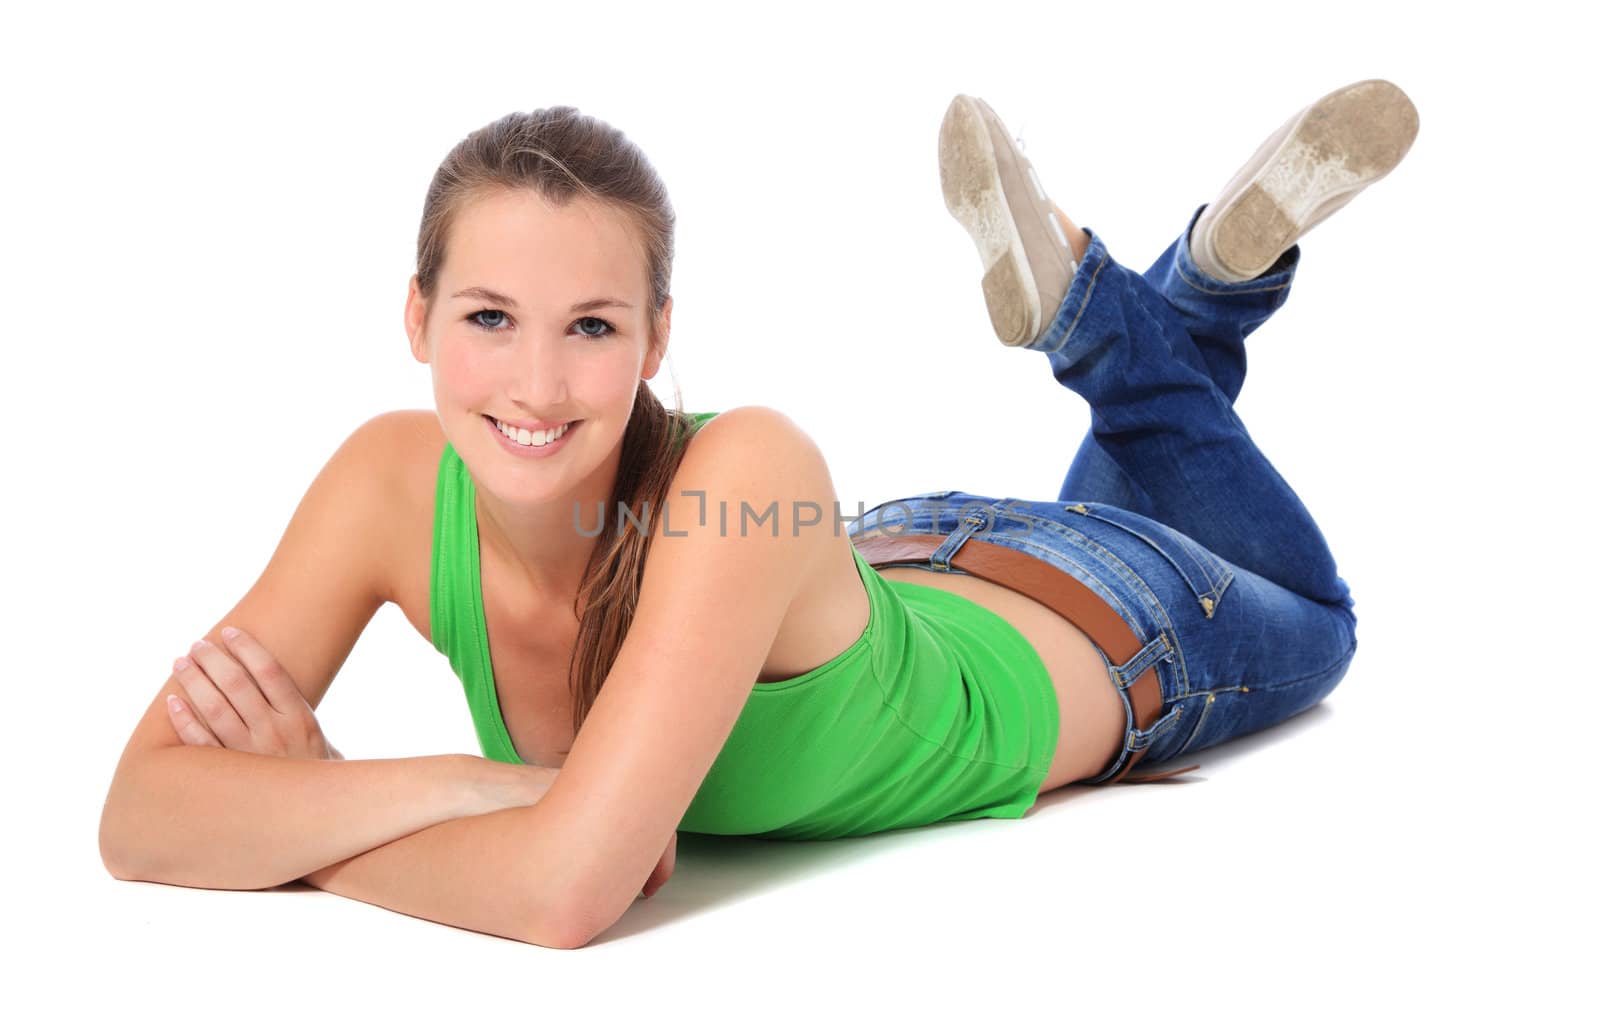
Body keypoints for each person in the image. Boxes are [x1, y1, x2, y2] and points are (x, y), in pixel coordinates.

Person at [98, 79, 1418, 949]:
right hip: (911, 555)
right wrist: (461, 788)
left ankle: (1121, 318)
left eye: (593, 326)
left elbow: (566, 890)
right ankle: (1191, 300)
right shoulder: (382, 483)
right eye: (490, 318)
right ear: (417, 317)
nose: (538, 384)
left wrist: (312, 808)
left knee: (1325, 623)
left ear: (658, 335)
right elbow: (140, 816)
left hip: (1122, 627)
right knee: (1165, 467)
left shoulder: (747, 466)